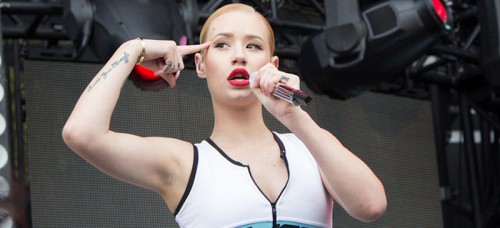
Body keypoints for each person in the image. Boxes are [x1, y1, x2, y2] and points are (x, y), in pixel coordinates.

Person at [62, 3, 386, 227]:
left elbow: (371, 206)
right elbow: (81, 134)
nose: (239, 57)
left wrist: (294, 116)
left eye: (254, 46)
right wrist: (132, 50)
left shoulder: (311, 147)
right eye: (222, 45)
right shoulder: (184, 164)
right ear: (200, 65)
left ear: (271, 66)